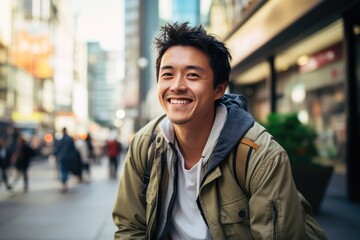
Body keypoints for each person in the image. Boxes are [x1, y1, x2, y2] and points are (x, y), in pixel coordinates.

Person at [112, 22, 327, 239]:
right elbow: (130, 228)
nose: (176, 86)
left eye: (192, 75)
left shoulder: (260, 155)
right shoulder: (145, 144)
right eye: (167, 74)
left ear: (219, 89)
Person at [53, 127, 81, 193]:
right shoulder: (70, 139)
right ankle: (65, 184)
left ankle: (64, 184)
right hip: (69, 157)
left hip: (63, 157)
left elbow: (57, 148)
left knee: (63, 170)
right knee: (66, 170)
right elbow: (73, 148)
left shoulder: (61, 139)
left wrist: (56, 155)